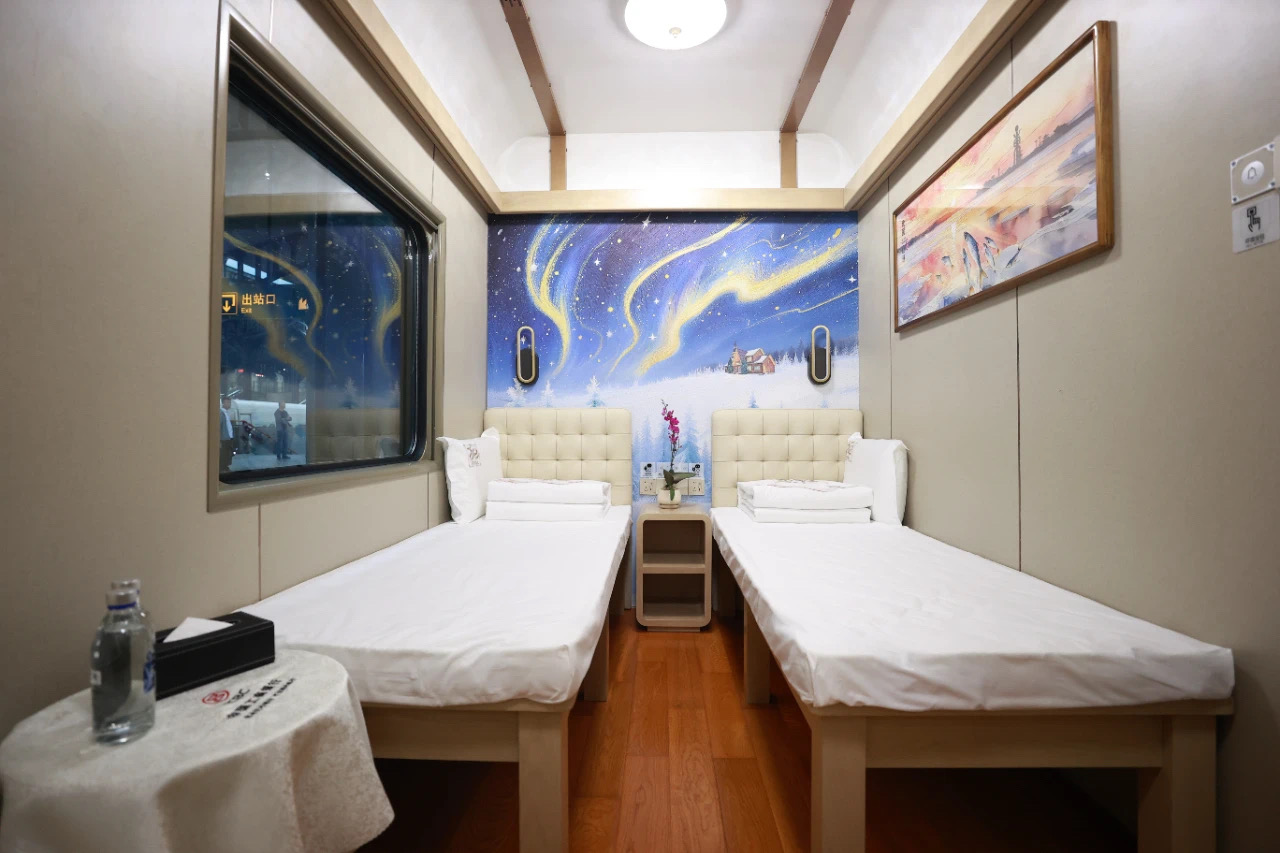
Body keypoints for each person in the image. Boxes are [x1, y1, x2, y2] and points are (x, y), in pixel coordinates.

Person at [219, 396, 236, 472]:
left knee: (228, 453)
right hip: (224, 438)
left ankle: (225, 467)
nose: (229, 404)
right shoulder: (221, 413)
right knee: (224, 454)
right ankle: (222, 468)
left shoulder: (226, 413)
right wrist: (219, 440)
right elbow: (218, 427)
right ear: (223, 403)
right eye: (228, 402)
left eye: (230, 402)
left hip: (228, 437)